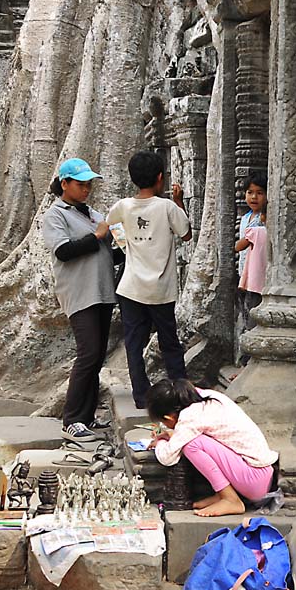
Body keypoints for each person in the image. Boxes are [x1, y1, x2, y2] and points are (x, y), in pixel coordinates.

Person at [107, 151, 193, 410]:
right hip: (160, 290)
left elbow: (110, 225)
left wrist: (126, 245)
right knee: (169, 340)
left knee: (134, 342)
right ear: (160, 178)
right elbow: (186, 234)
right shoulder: (166, 207)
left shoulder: (122, 206)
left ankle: (141, 394)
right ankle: (180, 391)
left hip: (131, 288)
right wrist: (179, 201)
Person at [40, 158, 117, 441]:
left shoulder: (93, 214)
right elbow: (63, 251)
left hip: (102, 291)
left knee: (97, 355)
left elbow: (109, 249)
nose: (86, 190)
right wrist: (97, 237)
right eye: (81, 184)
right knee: (87, 353)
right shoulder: (56, 215)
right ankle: (71, 419)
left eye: (89, 185)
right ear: (65, 184)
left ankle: (87, 416)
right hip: (79, 292)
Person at [146, 379, 278, 517]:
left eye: (164, 422)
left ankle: (230, 499)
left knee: (192, 444)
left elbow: (167, 458)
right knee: (192, 439)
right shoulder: (206, 396)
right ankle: (223, 495)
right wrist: (174, 435)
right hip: (262, 475)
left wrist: (159, 442)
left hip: (254, 479)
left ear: (169, 416)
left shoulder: (190, 417)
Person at [234, 172, 267, 360]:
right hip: (244, 276)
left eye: (259, 192)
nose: (254, 197)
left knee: (253, 320)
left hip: (258, 278)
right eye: (250, 192)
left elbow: (240, 245)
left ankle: (250, 361)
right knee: (246, 318)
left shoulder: (265, 220)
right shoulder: (246, 217)